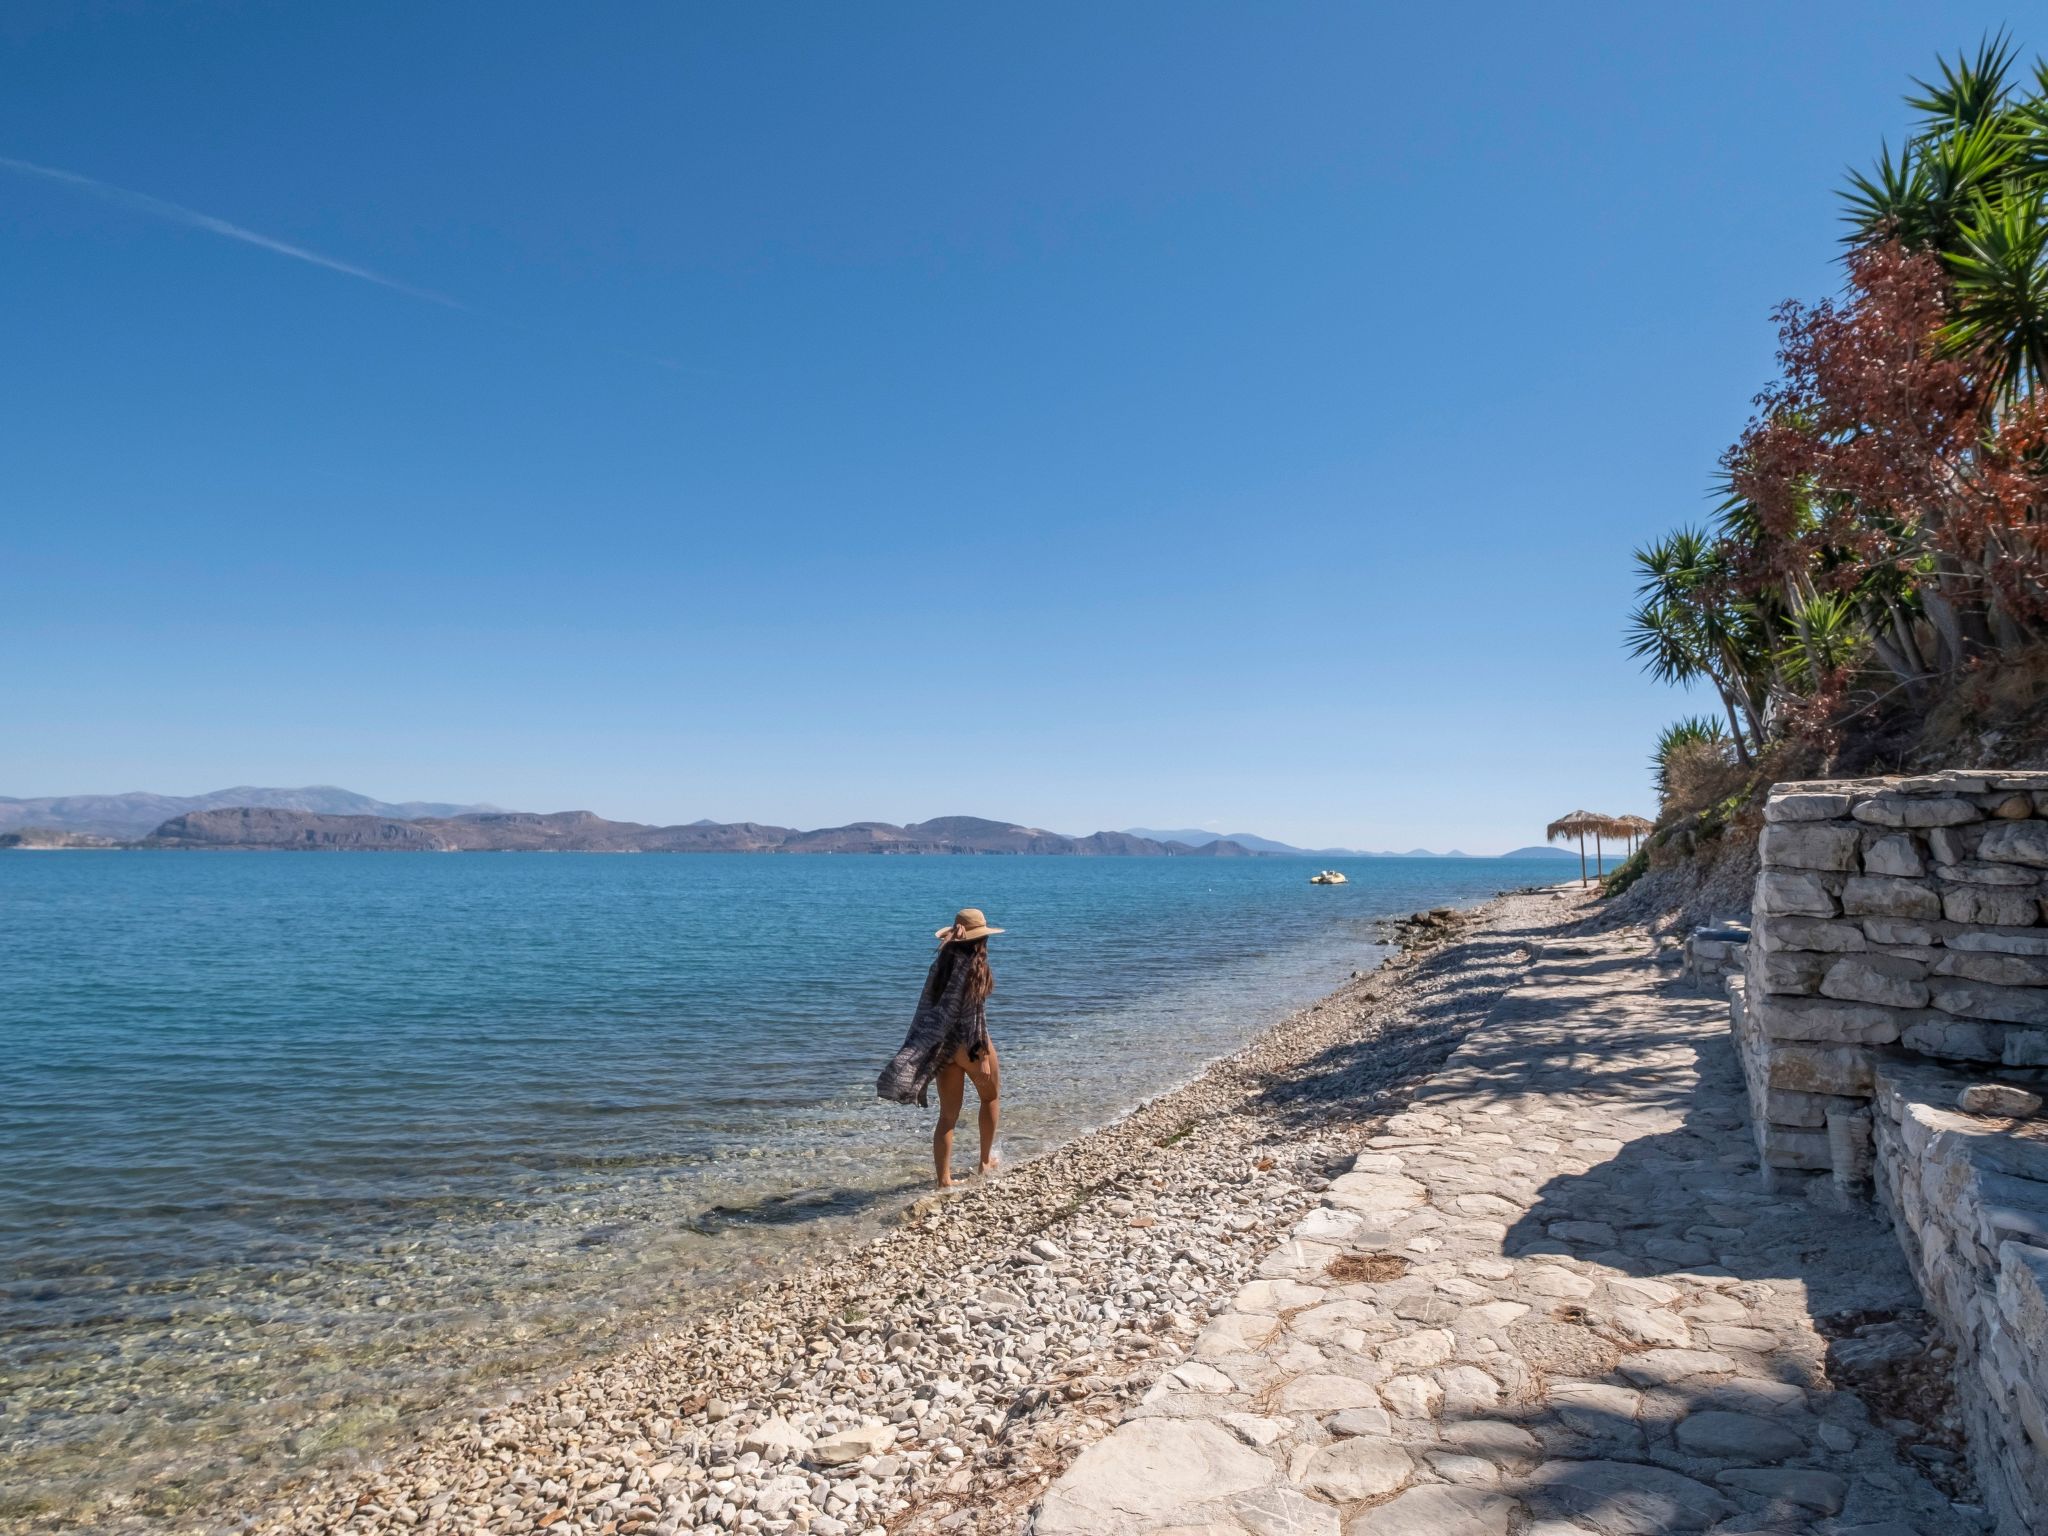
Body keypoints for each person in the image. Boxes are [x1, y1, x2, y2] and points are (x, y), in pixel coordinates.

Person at [877, 907, 1002, 1187]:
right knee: (990, 1098)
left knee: (947, 1116)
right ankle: (984, 1163)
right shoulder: (976, 964)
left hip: (943, 1046)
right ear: (981, 937)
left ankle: (943, 1180)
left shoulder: (940, 965)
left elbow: (929, 1009)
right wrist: (980, 1055)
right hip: (970, 1043)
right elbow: (973, 1014)